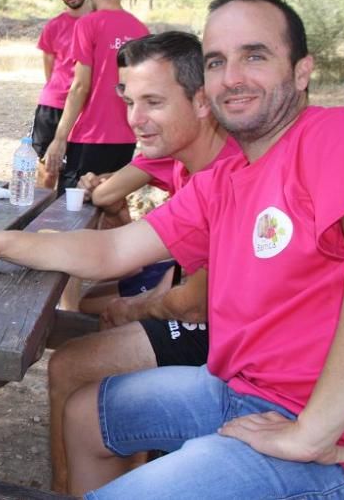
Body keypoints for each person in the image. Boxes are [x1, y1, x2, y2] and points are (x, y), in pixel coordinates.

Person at [0, 0, 344, 499]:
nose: (232, 76)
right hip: (242, 392)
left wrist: (311, 432)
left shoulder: (335, 136)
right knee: (85, 413)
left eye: (255, 55)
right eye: (216, 61)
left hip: (331, 436)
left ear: (301, 71)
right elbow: (112, 251)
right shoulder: (225, 178)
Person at [45, 31, 241, 493]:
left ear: (200, 101)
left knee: (70, 364)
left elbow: (197, 300)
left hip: (224, 338)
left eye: (152, 101)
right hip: (200, 309)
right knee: (95, 327)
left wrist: (140, 307)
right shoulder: (183, 157)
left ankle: (71, 485)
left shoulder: (225, 168)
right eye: (129, 100)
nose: (136, 119)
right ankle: (111, 471)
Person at [42, 0, 149, 193]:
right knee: (109, 205)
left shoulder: (88, 24)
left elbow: (80, 86)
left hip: (89, 136)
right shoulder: (141, 29)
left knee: (73, 210)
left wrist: (60, 138)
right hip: (126, 137)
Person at [32, 0, 91, 188]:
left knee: (77, 178)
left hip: (87, 110)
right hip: (52, 107)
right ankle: (36, 223)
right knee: (47, 172)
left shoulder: (99, 22)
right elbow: (49, 69)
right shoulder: (54, 26)